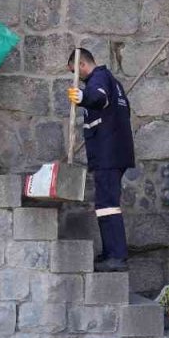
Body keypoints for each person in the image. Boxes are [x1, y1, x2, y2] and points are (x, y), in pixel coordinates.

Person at [66, 48, 135, 272]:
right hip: (114, 151)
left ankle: (116, 256)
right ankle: (110, 252)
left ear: (83, 66)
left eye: (76, 72)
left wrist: (83, 97)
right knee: (105, 203)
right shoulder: (113, 82)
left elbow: (99, 98)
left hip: (108, 153)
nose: (77, 77)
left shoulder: (99, 78)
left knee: (107, 205)